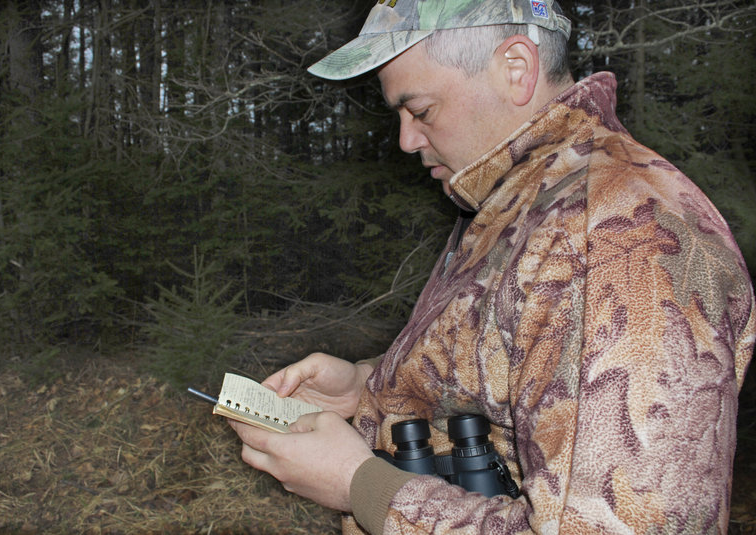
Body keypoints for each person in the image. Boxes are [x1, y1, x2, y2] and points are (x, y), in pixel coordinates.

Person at [228, 0, 756, 533]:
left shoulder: (615, 235)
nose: (407, 140)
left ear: (516, 69)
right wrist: (369, 387)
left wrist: (360, 486)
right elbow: (504, 369)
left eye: (422, 110)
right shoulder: (524, 198)